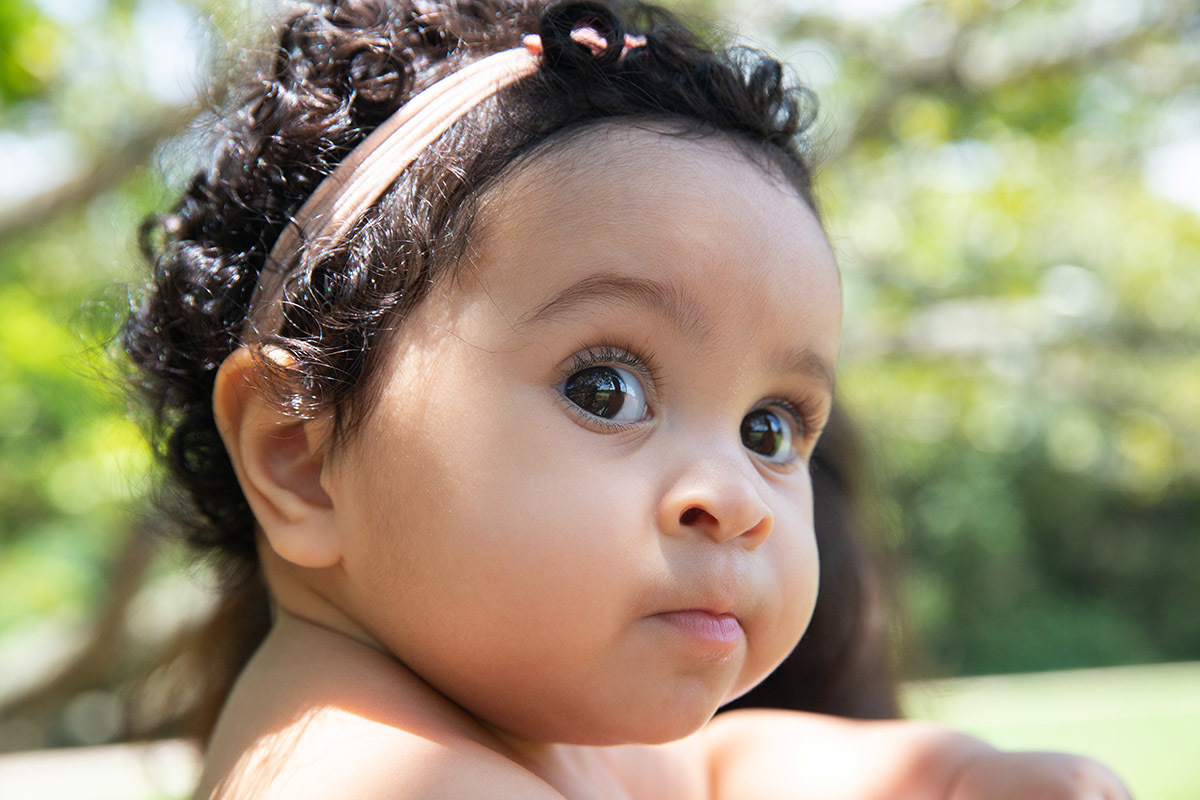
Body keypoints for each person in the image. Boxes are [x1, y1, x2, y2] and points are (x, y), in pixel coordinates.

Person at [122, 1, 1131, 797]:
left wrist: (953, 776)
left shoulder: (544, 730)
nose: (732, 493)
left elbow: (720, 769)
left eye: (769, 427)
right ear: (302, 456)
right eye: (605, 389)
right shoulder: (367, 773)